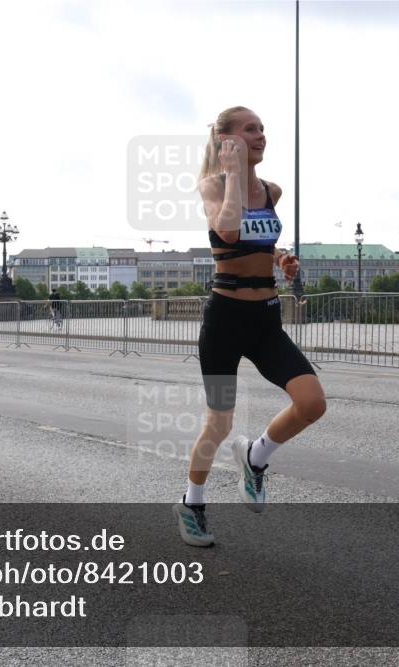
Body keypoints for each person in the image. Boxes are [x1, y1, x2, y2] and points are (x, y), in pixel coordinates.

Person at [173, 106, 327, 547]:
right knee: (219, 423)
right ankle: (193, 503)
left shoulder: (272, 190)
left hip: (265, 320)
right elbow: (226, 231)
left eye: (261, 129)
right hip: (224, 321)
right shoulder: (213, 186)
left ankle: (255, 457)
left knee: (312, 403)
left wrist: (281, 259)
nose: (260, 135)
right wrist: (234, 173)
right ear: (226, 140)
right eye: (249, 130)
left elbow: (262, 237)